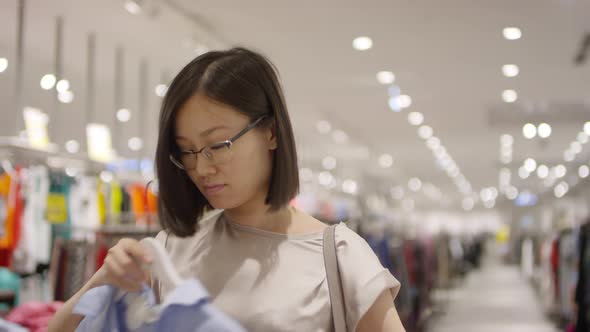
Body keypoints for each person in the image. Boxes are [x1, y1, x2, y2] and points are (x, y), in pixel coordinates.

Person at [48, 47, 406, 332]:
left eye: (217, 144)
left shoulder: (339, 256)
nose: (201, 168)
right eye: (186, 151)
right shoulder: (172, 250)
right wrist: (104, 279)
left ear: (270, 132)